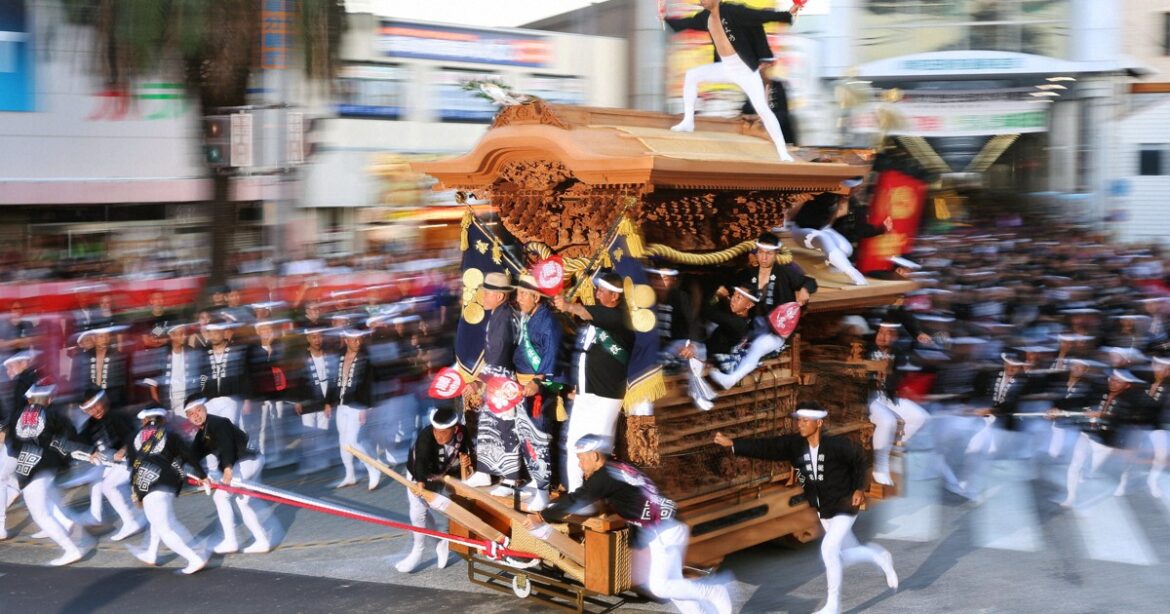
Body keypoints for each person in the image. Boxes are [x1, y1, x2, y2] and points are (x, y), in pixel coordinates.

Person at [714, 403, 897, 614]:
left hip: (845, 504)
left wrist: (858, 488)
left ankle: (833, 606)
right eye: (799, 420)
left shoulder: (837, 445)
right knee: (845, 554)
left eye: (805, 421)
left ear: (818, 423)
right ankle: (879, 556)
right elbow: (767, 447)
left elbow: (859, 460)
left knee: (828, 550)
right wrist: (733, 444)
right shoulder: (795, 445)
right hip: (824, 509)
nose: (800, 425)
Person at [524, 434, 732, 614]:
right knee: (672, 586)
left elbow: (578, 499)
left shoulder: (605, 476)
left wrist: (542, 516)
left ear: (595, 456)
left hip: (663, 529)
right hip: (663, 525)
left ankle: (713, 591)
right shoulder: (617, 465)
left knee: (661, 587)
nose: (579, 464)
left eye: (581, 459)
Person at [666, 0, 799, 161]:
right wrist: (665, 17)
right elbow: (685, 24)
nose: (701, 1)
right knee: (692, 75)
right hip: (726, 67)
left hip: (745, 70)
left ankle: (783, 153)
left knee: (763, 109)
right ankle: (688, 122)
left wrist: (788, 13)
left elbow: (760, 16)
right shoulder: (704, 17)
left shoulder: (733, 11)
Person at [553, 271, 636, 494]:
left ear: (615, 297)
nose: (597, 293)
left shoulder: (620, 317)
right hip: (585, 393)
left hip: (606, 396)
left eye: (602, 290)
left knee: (598, 449)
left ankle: (597, 496)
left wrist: (569, 306)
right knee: (573, 443)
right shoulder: (597, 318)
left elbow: (582, 310)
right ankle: (575, 494)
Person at [708, 232, 814, 389]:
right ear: (757, 252)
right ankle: (707, 362)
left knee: (758, 346)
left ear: (776, 254)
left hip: (775, 330)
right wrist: (720, 292)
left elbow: (809, 281)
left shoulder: (785, 274)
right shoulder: (747, 274)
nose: (764, 257)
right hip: (750, 325)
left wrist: (805, 289)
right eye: (761, 252)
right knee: (717, 328)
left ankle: (731, 379)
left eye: (769, 254)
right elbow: (728, 285)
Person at [7, 380, 93, 565]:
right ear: (49, 399)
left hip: (28, 466)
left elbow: (12, 446)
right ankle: (68, 524)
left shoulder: (17, 415)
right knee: (45, 500)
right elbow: (70, 435)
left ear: (30, 399)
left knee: (40, 514)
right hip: (48, 465)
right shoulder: (54, 414)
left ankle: (71, 549)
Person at [185, 397, 277, 554]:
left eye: (198, 410)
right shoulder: (203, 433)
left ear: (205, 409)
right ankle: (262, 540)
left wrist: (227, 468)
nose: (196, 416)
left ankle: (230, 541)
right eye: (191, 414)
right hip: (249, 462)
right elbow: (191, 456)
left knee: (220, 497)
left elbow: (227, 445)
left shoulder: (219, 423)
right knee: (243, 503)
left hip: (245, 462)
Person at [125, 406, 209, 575]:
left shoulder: (133, 437)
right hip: (169, 482)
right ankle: (151, 553)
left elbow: (132, 467)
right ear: (162, 420)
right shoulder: (171, 434)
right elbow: (188, 455)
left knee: (165, 527)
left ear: (143, 420)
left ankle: (194, 558)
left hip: (149, 484)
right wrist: (202, 475)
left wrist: (135, 493)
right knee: (159, 520)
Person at [397, 404, 471, 573]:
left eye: (444, 432)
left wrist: (467, 460)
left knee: (434, 509)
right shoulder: (426, 436)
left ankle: (440, 542)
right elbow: (421, 460)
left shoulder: (463, 433)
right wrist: (420, 482)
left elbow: (468, 450)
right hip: (418, 475)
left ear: (454, 428)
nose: (438, 435)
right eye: (436, 430)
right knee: (418, 510)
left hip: (443, 474)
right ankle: (419, 550)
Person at [1059, 369, 1148, 508]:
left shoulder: (1129, 402)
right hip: (1087, 433)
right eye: (1112, 379)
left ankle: (1121, 478)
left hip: (1105, 442)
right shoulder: (1099, 392)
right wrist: (1058, 409)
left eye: (1119, 381)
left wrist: (1103, 415)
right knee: (1075, 464)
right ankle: (1070, 497)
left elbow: (1124, 422)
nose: (1113, 383)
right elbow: (1079, 401)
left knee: (1090, 471)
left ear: (1127, 385)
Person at [511, 274, 559, 508]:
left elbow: (551, 354)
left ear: (536, 296)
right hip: (523, 385)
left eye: (522, 293)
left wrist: (537, 382)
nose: (518, 298)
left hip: (537, 388)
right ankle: (535, 478)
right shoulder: (529, 317)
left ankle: (543, 490)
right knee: (525, 434)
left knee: (537, 435)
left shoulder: (546, 320)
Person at [864, 322, 929, 486]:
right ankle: (880, 467)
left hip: (886, 396)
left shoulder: (898, 353)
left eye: (888, 333)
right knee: (887, 421)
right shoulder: (866, 350)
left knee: (920, 417)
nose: (882, 336)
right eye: (880, 331)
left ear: (895, 337)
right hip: (867, 397)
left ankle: (895, 450)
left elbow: (896, 379)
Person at [75, 388, 145, 541]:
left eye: (97, 405)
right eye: (89, 409)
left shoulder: (116, 416)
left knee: (109, 486)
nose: (95, 411)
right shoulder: (91, 423)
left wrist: (123, 450)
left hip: (133, 461)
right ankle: (96, 514)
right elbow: (81, 440)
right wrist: (92, 451)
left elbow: (134, 438)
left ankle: (130, 521)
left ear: (104, 401)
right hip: (116, 463)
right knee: (95, 475)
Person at [785, 191, 889, 286]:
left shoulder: (847, 200)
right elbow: (791, 212)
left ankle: (833, 264)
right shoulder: (816, 192)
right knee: (824, 239)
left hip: (823, 229)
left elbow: (857, 226)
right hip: (802, 230)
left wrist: (881, 229)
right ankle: (852, 273)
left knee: (846, 249)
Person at [328, 328, 380, 489]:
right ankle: (350, 475)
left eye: (360, 339)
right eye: (354, 339)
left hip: (358, 405)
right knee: (343, 442)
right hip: (341, 405)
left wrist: (366, 406)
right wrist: (328, 402)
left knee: (353, 441)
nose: (358, 342)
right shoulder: (340, 356)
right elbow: (332, 379)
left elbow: (370, 384)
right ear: (346, 340)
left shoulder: (366, 358)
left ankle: (373, 470)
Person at [293, 326, 335, 474]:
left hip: (325, 401)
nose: (317, 340)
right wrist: (297, 401)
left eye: (319, 336)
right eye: (314, 337)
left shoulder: (329, 355)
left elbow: (333, 381)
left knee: (323, 432)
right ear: (308, 339)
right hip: (307, 402)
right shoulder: (302, 357)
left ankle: (322, 461)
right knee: (308, 433)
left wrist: (330, 402)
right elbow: (297, 380)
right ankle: (309, 462)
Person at [200, 318, 249, 425]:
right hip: (209, 400)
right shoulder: (204, 353)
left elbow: (244, 375)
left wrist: (246, 398)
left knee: (229, 429)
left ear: (224, 333)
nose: (213, 336)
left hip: (231, 398)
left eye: (216, 333)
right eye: (210, 333)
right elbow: (201, 377)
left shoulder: (236, 351)